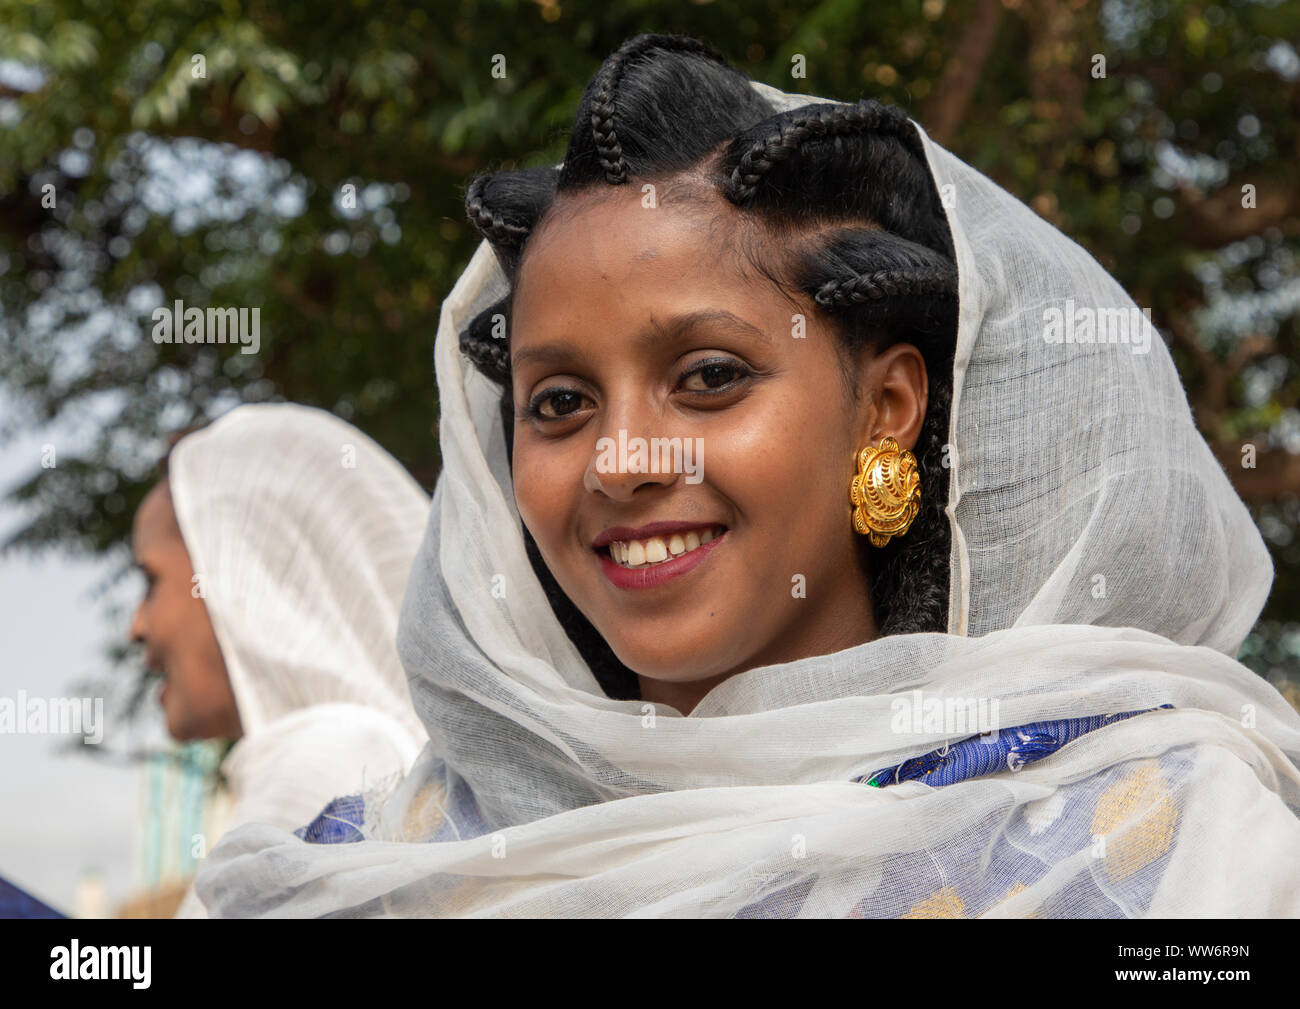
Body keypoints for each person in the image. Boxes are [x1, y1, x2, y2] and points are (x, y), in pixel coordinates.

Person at [195, 35, 1300, 917]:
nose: (621, 460)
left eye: (709, 376)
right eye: (559, 403)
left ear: (887, 407)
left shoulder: (1153, 839)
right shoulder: (386, 866)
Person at [128, 403, 430, 916]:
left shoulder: (330, 757)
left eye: (151, 581)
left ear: (238, 571)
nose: (136, 626)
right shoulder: (360, 751)